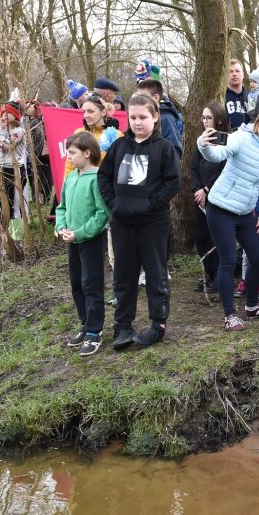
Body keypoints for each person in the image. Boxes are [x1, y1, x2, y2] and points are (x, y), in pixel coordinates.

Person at [97, 94, 181, 348]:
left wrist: (150, 204)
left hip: (153, 223)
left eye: (143, 117)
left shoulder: (164, 148)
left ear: (155, 117)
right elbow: (104, 177)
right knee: (124, 275)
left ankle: (158, 324)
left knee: (155, 274)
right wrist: (115, 203)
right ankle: (123, 325)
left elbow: (172, 183)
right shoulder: (119, 146)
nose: (137, 122)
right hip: (122, 223)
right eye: (132, 117)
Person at [196, 107, 259, 331]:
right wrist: (203, 145)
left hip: (246, 212)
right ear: (258, 122)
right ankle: (229, 314)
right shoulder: (241, 137)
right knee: (227, 260)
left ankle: (252, 306)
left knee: (257, 257)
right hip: (220, 208)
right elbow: (217, 155)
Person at [56, 132, 110, 356]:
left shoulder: (97, 178)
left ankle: (94, 332)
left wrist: (79, 233)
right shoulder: (70, 178)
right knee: (77, 284)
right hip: (72, 242)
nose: (68, 157)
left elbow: (101, 214)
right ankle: (85, 323)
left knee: (91, 285)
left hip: (91, 242)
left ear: (87, 153)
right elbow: (62, 208)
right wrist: (61, 228)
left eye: (72, 153)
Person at [190, 101, 228, 293]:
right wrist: (197, 189)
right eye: (203, 117)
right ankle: (207, 274)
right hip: (200, 198)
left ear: (218, 119)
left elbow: (223, 169)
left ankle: (216, 274)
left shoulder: (226, 141)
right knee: (202, 237)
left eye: (209, 117)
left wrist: (206, 189)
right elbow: (194, 167)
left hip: (216, 196)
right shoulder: (201, 140)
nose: (205, 121)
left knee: (216, 238)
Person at [63, 94, 123, 174]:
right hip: (82, 183)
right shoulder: (78, 133)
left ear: (103, 112)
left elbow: (120, 166)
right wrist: (67, 184)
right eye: (84, 111)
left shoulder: (116, 135)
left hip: (104, 183)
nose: (86, 115)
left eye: (90, 111)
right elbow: (70, 164)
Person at [0, 102, 26, 222]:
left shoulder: (19, 131)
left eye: (8, 112)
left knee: (11, 203)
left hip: (13, 170)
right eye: (2, 113)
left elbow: (5, 148)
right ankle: (2, 232)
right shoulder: (1, 128)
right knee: (1, 201)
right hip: (1, 168)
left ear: (15, 115)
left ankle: (13, 231)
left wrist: (1, 131)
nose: (4, 115)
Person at [136, 79, 182, 156]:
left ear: (156, 98)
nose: (139, 100)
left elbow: (175, 150)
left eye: (143, 97)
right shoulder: (142, 118)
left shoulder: (166, 118)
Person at [225, 58, 250, 131]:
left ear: (243, 74)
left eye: (237, 71)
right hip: (228, 139)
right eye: (231, 71)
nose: (234, 74)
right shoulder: (221, 97)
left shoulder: (250, 97)